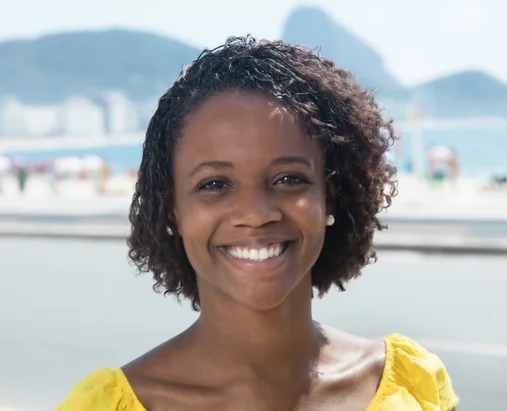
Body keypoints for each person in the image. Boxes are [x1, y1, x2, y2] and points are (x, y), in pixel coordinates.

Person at [57, 36, 459, 411]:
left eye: (289, 179)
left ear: (329, 196)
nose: (255, 212)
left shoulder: (413, 386)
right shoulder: (108, 405)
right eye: (215, 184)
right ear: (173, 210)